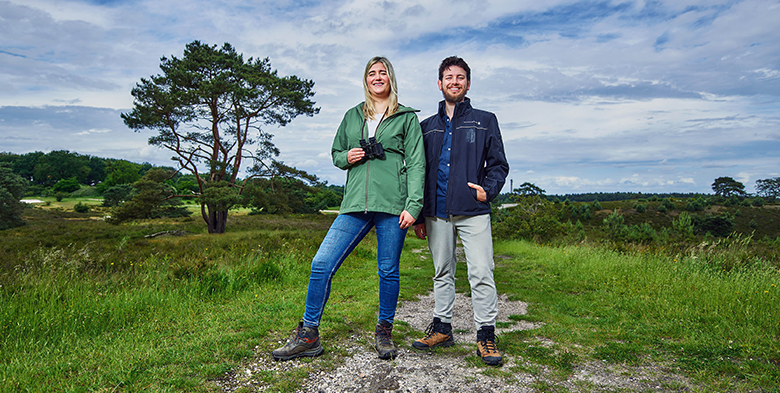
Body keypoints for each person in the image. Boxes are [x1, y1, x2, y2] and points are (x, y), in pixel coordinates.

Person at [272, 56, 425, 361]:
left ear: (391, 78)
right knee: (321, 263)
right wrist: (348, 157)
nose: (377, 77)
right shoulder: (352, 115)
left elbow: (418, 163)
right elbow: (336, 153)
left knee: (388, 270)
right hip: (354, 203)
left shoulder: (406, 118)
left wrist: (414, 205)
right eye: (372, 73)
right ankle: (309, 335)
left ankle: (384, 331)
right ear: (366, 80)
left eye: (383, 73)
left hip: (393, 205)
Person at [411, 56, 509, 366]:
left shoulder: (485, 120)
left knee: (481, 272)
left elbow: (498, 164)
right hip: (436, 212)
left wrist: (487, 191)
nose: (455, 81)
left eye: (460, 77)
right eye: (449, 77)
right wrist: (420, 212)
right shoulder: (425, 127)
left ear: (468, 83)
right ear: (439, 84)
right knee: (442, 272)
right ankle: (442, 329)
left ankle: (486, 336)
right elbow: (419, 170)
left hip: (473, 210)